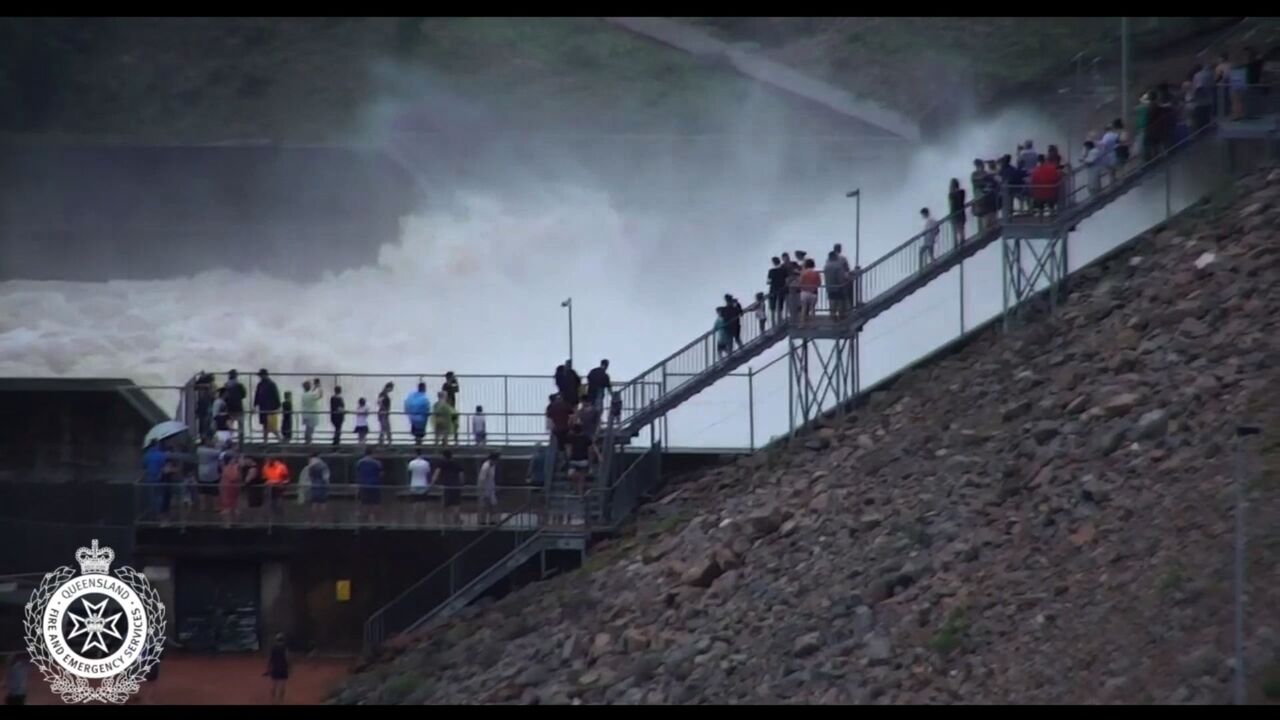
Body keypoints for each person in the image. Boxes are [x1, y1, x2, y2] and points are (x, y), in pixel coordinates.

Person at [565, 422, 599, 496]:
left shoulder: (570, 438)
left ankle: (578, 492)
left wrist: (568, 458)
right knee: (581, 478)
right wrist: (592, 461)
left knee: (571, 475)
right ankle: (581, 493)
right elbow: (590, 450)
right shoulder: (586, 438)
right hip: (583, 460)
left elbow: (568, 450)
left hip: (574, 460)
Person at [433, 449, 464, 525]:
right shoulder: (457, 463)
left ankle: (445, 521)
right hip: (456, 486)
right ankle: (456, 519)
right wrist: (461, 484)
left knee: (445, 504)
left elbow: (436, 474)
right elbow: (461, 476)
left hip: (446, 486)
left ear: (443, 456)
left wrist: (432, 483)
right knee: (456, 504)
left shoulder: (441, 463)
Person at [254, 369, 282, 443]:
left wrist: (277, 407)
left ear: (265, 375)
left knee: (272, 427)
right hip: (263, 408)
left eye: (261, 375)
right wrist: (255, 405)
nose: (260, 377)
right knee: (265, 426)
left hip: (270, 409)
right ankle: (265, 441)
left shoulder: (271, 384)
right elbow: (257, 396)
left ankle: (280, 440)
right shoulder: (260, 384)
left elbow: (276, 396)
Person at [356, 446, 382, 523]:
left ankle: (365, 522)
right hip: (375, 485)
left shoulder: (359, 462)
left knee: (364, 503)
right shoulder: (377, 463)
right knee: (376, 503)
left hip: (363, 485)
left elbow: (358, 473)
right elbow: (380, 474)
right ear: (372, 453)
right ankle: (377, 521)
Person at [196, 436, 221, 515]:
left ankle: (202, 507)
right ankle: (215, 507)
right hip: (211, 472)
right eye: (211, 440)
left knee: (202, 491)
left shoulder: (198, 449)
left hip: (201, 471)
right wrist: (217, 444)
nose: (212, 442)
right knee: (214, 491)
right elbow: (219, 452)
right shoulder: (209, 451)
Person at [302, 452, 330, 522]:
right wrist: (327, 485)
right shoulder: (323, 465)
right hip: (322, 485)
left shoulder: (310, 465)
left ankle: (313, 520)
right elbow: (326, 476)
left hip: (313, 485)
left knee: (314, 503)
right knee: (323, 503)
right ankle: (322, 520)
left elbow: (308, 476)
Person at [219, 448, 243, 525]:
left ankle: (234, 522)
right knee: (228, 507)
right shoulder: (227, 467)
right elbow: (233, 477)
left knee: (234, 506)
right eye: (233, 458)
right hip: (228, 488)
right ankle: (228, 523)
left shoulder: (233, 466)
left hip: (233, 488)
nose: (235, 459)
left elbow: (235, 477)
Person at [407, 449, 432, 523]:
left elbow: (409, 473)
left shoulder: (411, 463)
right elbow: (428, 473)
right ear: (422, 454)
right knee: (423, 502)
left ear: (415, 454)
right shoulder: (426, 463)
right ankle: (423, 519)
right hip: (423, 484)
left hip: (414, 484)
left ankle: (416, 519)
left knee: (415, 502)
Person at [822, 250, 847, 320]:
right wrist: (843, 283)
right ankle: (841, 315)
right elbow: (841, 277)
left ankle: (832, 315)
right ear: (835, 257)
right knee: (840, 301)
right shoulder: (838, 266)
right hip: (838, 286)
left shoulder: (826, 266)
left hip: (829, 286)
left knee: (832, 301)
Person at [404, 382, 430, 446]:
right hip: (422, 419)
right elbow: (427, 408)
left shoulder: (412, 396)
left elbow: (407, 405)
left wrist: (409, 414)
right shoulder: (424, 398)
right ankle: (419, 446)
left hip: (413, 418)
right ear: (424, 388)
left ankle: (417, 445)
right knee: (420, 434)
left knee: (416, 434)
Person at [266, 633, 289, 704]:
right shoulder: (284, 647)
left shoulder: (273, 648)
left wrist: (268, 668)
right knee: (282, 685)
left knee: (274, 685)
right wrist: (290, 667)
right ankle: (281, 701)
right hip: (283, 668)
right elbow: (287, 657)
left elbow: (270, 659)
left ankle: (273, 700)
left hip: (275, 668)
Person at [478, 451, 500, 525]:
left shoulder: (492, 466)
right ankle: (482, 521)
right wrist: (483, 491)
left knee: (493, 505)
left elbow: (491, 478)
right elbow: (482, 479)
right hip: (485, 489)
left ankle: (492, 520)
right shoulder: (486, 467)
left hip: (491, 489)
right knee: (484, 506)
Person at [766, 256, 787, 326]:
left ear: (773, 263)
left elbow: (768, 282)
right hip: (781, 289)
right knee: (780, 306)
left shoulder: (771, 271)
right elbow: (786, 279)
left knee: (772, 307)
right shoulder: (783, 270)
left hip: (773, 290)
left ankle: (773, 323)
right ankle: (780, 320)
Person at [300, 379, 323, 445]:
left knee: (307, 428)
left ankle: (306, 441)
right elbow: (320, 396)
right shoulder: (311, 395)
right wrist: (319, 387)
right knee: (310, 430)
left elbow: (311, 392)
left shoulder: (304, 394)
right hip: (312, 415)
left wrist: (315, 387)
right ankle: (308, 442)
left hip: (305, 414)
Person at [798, 258, 821, 322]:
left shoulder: (803, 273)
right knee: (812, 309)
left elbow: (800, 282)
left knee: (804, 308)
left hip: (804, 293)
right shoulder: (816, 273)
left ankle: (802, 324)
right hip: (814, 292)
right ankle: (813, 324)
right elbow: (819, 283)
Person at [194, 370, 215, 441]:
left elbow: (196, 386)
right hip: (206, 406)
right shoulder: (208, 386)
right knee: (205, 423)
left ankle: (205, 438)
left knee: (204, 423)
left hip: (205, 406)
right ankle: (205, 438)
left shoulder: (207, 386)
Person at [442, 372, 461, 443]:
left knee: (455, 424)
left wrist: (456, 382)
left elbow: (457, 389)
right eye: (452, 377)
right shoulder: (445, 385)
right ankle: (445, 440)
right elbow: (445, 392)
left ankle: (456, 441)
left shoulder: (451, 385)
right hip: (447, 408)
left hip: (452, 408)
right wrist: (453, 382)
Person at [948, 178, 966, 244]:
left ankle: (956, 244)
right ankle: (962, 241)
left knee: (955, 232)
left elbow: (952, 206)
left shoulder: (951, 195)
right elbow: (962, 202)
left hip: (954, 215)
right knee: (961, 229)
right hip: (961, 214)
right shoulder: (962, 192)